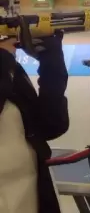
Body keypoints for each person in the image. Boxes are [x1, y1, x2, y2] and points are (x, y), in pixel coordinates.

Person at [0, 33, 69, 213]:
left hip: (29, 199)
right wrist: (4, 58)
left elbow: (51, 124)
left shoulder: (10, 70)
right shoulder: (4, 67)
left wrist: (51, 63)